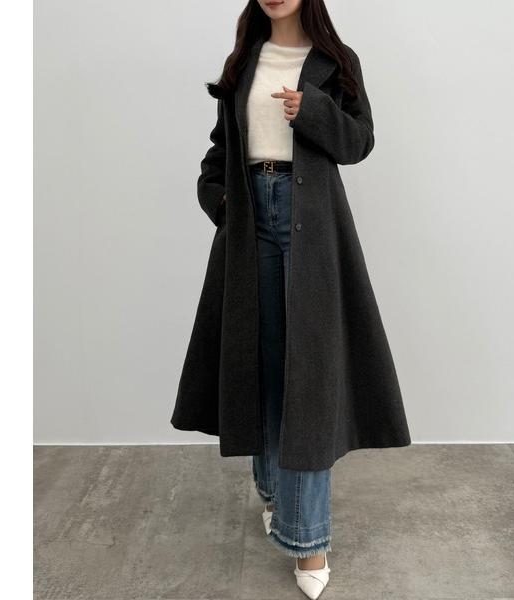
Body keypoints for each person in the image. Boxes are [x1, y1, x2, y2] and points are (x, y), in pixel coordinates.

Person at [172, 1, 411, 598]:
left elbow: (360, 142)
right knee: (262, 362)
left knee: (308, 379)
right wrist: (221, 203)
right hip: (250, 221)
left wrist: (314, 110)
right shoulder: (243, 62)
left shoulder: (336, 60)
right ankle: (275, 493)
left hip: (310, 222)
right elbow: (218, 152)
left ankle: (308, 541)